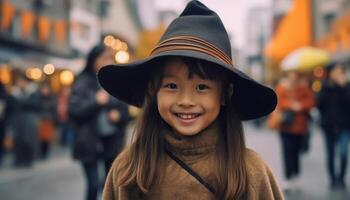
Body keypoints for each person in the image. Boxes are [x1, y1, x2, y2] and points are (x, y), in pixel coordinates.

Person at [98, 1, 283, 199]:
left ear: (224, 94)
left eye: (201, 87)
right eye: (171, 86)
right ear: (153, 90)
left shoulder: (251, 171)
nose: (186, 100)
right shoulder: (129, 168)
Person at [68, 44, 129, 200]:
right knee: (93, 184)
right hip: (89, 141)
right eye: (103, 57)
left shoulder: (115, 80)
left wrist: (119, 115)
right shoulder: (82, 82)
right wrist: (95, 102)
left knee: (110, 185)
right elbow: (74, 112)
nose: (106, 61)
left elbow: (125, 110)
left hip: (112, 140)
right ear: (93, 60)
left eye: (109, 57)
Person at [275, 71, 315, 191]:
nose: (293, 79)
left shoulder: (303, 88)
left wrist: (300, 105)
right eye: (290, 77)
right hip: (285, 126)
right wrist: (291, 104)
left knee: (297, 152)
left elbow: (311, 102)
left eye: (295, 77)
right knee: (287, 152)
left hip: (300, 127)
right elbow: (278, 101)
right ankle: (287, 177)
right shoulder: (282, 88)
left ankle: (296, 176)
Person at [317, 62, 350, 189]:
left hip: (344, 126)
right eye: (335, 71)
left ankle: (341, 178)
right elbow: (319, 103)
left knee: (343, 152)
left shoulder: (346, 86)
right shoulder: (325, 86)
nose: (338, 74)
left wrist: (343, 87)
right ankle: (332, 179)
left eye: (340, 71)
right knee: (330, 153)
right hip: (328, 126)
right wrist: (328, 87)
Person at [11, 74, 40, 167]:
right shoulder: (15, 93)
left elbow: (35, 105)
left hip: (30, 118)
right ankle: (19, 159)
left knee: (29, 139)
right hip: (18, 118)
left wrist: (22, 102)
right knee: (18, 139)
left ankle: (29, 159)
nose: (20, 84)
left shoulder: (33, 92)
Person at [38, 82, 56, 159]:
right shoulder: (38, 98)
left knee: (47, 138)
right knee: (40, 138)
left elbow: (54, 109)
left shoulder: (52, 98)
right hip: (40, 120)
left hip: (48, 120)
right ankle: (40, 153)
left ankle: (45, 153)